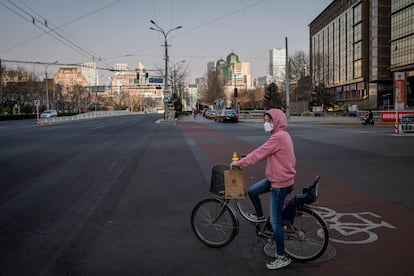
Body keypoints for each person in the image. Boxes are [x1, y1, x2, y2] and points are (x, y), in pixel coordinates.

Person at [231, 108, 296, 270]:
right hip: (278, 178)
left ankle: (282, 257)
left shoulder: (278, 137)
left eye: (269, 120)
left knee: (276, 222)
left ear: (277, 121)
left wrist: (239, 163)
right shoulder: (281, 136)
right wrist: (246, 158)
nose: (266, 123)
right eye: (265, 120)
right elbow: (263, 152)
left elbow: (260, 153)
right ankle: (260, 218)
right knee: (252, 191)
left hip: (279, 184)